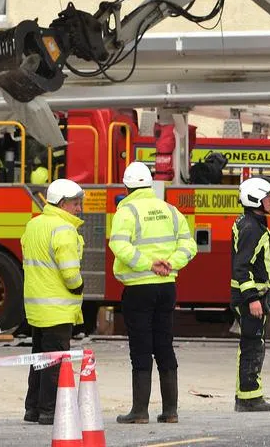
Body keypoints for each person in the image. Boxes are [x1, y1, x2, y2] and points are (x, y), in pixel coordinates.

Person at [108, 161, 197, 425]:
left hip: (138, 289)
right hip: (166, 287)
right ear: (150, 184)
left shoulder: (126, 212)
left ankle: (139, 412)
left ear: (126, 186)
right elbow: (189, 245)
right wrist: (171, 263)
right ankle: (171, 411)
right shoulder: (170, 209)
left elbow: (119, 246)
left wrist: (148, 264)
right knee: (164, 345)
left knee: (141, 348)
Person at [20, 178, 85, 425]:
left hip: (37, 307)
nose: (79, 209)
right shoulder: (64, 230)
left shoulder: (34, 225)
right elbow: (69, 272)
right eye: (75, 204)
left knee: (38, 359)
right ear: (61, 204)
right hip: (57, 309)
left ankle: (32, 408)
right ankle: (49, 412)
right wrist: (78, 286)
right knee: (54, 362)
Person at [230, 176, 270, 413]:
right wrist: (252, 299)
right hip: (253, 298)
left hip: (257, 296)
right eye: (267, 197)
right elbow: (242, 267)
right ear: (255, 199)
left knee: (253, 344)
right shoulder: (252, 229)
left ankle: (250, 395)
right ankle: (249, 398)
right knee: (252, 345)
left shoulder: (253, 224)